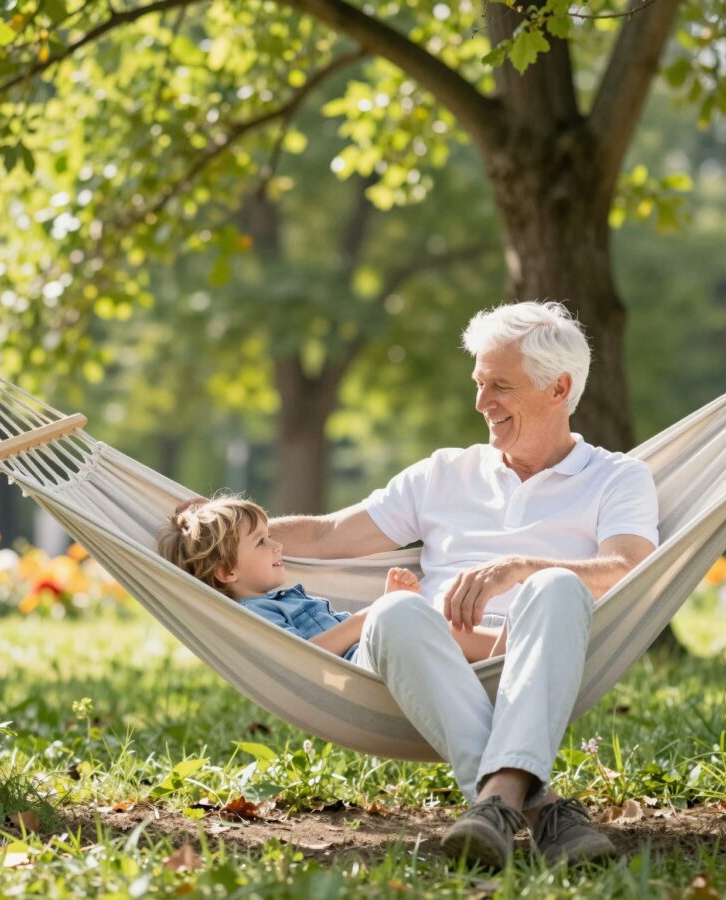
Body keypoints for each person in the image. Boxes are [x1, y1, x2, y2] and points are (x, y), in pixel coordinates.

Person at [270, 301, 659, 868]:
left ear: (559, 388)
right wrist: (227, 524)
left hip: (536, 651)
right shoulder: (443, 473)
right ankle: (535, 806)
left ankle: (495, 803)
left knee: (553, 587)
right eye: (479, 384)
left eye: (500, 385)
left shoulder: (617, 477)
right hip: (425, 651)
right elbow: (329, 535)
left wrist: (524, 567)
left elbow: (628, 568)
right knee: (391, 612)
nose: (482, 403)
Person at [157, 496, 507, 663]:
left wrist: (384, 607)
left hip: (377, 657)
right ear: (226, 572)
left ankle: (508, 650)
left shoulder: (284, 599)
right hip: (364, 673)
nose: (278, 544)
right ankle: (514, 649)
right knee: (426, 629)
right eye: (261, 542)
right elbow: (305, 657)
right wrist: (371, 617)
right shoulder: (256, 615)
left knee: (429, 629)